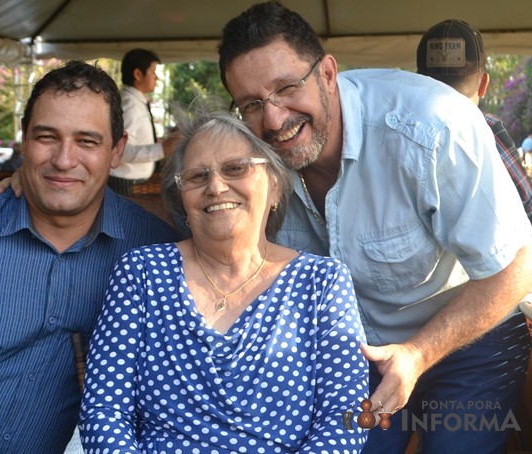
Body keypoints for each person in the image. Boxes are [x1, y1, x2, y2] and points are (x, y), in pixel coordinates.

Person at [217, 3, 532, 453]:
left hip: (471, 342)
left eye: (287, 88)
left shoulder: (433, 125)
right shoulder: (251, 157)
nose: (273, 119)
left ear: (327, 73)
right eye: (251, 104)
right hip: (357, 353)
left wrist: (419, 354)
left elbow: (519, 266)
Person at [0, 60, 181, 453]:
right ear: (24, 141)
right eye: (47, 137)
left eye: (87, 141)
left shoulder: (153, 252)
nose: (64, 160)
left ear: (117, 151)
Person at [79, 101, 369, 452]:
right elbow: (104, 411)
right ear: (182, 199)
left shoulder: (321, 283)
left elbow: (345, 417)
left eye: (236, 168)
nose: (215, 187)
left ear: (275, 186)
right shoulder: (142, 273)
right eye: (197, 176)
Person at [417, 18, 532, 223]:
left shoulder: (396, 130)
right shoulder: (485, 128)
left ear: (417, 79)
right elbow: (527, 204)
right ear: (483, 84)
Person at [107, 48, 175, 196]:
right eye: (153, 72)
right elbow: (118, 150)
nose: (156, 77)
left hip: (132, 182)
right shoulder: (129, 105)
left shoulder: (136, 102)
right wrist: (162, 148)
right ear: (138, 74)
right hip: (124, 184)